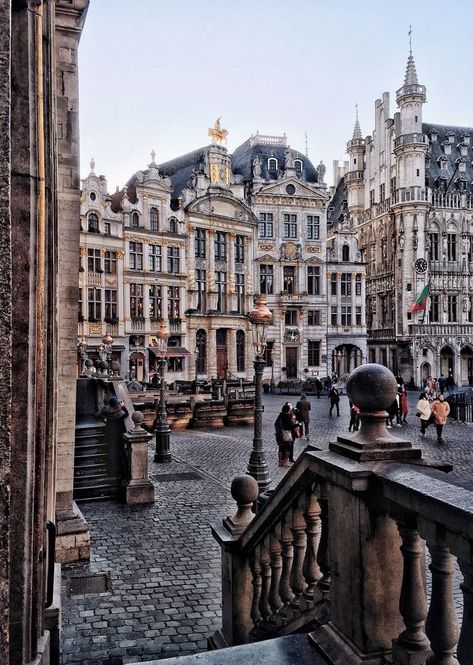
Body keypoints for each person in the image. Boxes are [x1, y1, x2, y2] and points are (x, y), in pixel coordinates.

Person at [101, 396, 129, 477]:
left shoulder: (106, 411)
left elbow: (104, 411)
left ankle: (110, 471)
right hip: (118, 436)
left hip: (109, 435)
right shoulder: (119, 414)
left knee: (111, 453)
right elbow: (126, 413)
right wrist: (123, 406)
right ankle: (117, 471)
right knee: (119, 454)